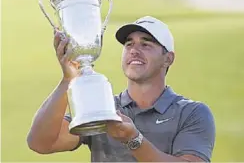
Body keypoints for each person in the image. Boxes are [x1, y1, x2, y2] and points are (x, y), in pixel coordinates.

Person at [27, 16, 216, 162]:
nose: (134, 50)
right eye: (129, 44)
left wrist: (134, 140)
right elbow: (41, 142)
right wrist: (68, 79)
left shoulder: (192, 113)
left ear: (168, 58)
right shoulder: (101, 108)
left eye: (146, 44)